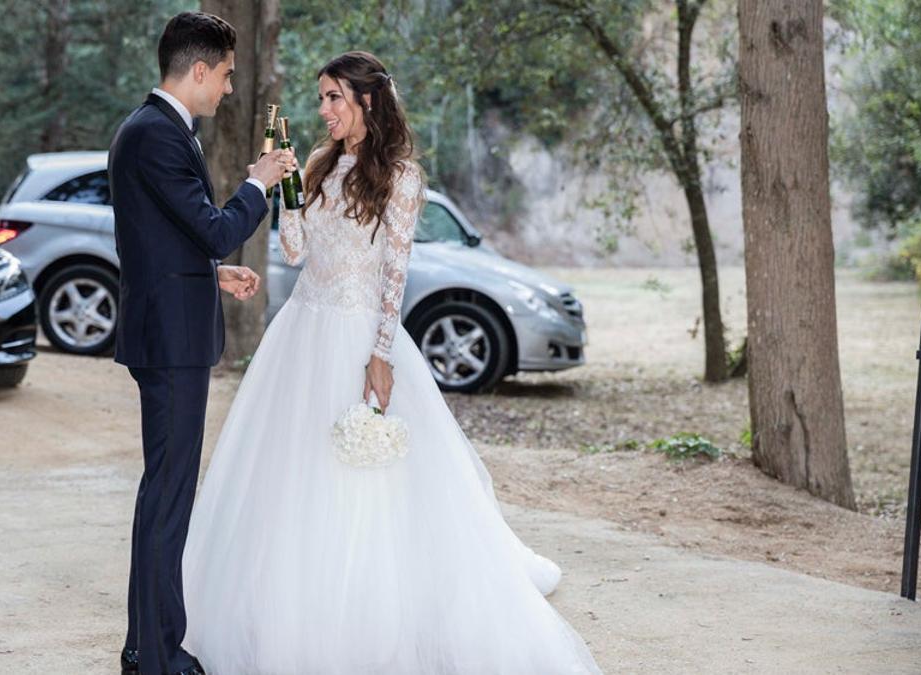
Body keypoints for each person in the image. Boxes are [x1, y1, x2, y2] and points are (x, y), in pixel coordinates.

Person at [180, 51, 604, 674]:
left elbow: (395, 271)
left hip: (357, 335)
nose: (322, 109)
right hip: (300, 332)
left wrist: (381, 352)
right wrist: (285, 189)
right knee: (291, 470)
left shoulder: (400, 176)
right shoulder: (321, 164)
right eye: (320, 98)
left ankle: (369, 607)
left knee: (368, 479)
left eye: (333, 98)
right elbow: (296, 252)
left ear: (367, 100)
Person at [107, 11, 295, 675]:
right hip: (171, 344)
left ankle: (149, 645)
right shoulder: (157, 134)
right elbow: (214, 227)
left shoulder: (151, 131)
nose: (227, 90)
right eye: (224, 76)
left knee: (163, 494)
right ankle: (155, 657)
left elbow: (162, 241)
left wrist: (213, 273)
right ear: (197, 71)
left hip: (167, 330)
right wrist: (259, 183)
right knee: (168, 499)